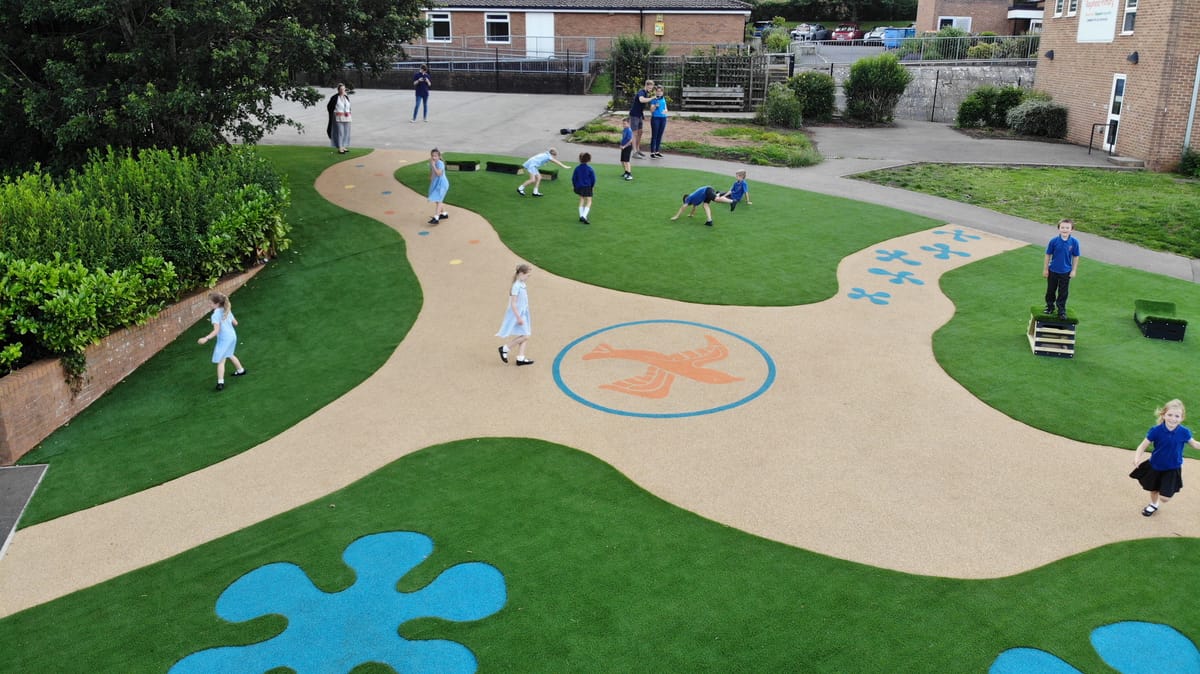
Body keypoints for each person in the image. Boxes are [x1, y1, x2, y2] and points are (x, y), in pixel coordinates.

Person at [1130, 399, 1200, 517]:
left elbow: (1195, 444)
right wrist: (1137, 458)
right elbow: (1142, 446)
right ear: (1163, 415)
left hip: (1172, 468)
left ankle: (1163, 494)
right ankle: (1153, 504)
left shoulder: (1184, 432)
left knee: (1165, 498)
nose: (1173, 419)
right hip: (1155, 465)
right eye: (1170, 415)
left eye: (1177, 416)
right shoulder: (1156, 431)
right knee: (1154, 489)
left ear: (1182, 418)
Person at [197, 292, 246, 391]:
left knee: (221, 361)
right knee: (230, 354)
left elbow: (216, 330)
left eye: (210, 303)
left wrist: (206, 338)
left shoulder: (215, 315)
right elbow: (236, 323)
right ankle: (241, 370)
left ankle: (220, 383)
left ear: (217, 303)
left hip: (224, 340)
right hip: (232, 337)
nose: (209, 304)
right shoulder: (226, 309)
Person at [496, 264, 534, 366]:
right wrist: (518, 317)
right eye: (527, 275)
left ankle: (520, 358)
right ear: (521, 274)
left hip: (523, 313)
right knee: (526, 335)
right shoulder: (516, 286)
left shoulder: (521, 284)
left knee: (524, 333)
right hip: (519, 314)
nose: (528, 278)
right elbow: (513, 303)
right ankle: (505, 348)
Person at [1042, 218, 1080, 319]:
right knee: (1050, 290)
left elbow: (1076, 256)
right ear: (1059, 229)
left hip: (1066, 272)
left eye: (1067, 228)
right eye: (1062, 227)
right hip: (1053, 270)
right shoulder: (1053, 241)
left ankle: (1061, 310)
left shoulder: (1074, 242)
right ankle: (1050, 307)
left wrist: (1074, 270)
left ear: (1072, 230)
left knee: (1063, 292)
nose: (1065, 229)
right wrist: (1046, 269)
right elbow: (1047, 255)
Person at [628, 79, 655, 159]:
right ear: (646, 85)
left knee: (640, 132)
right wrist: (652, 98)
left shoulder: (646, 93)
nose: (650, 89)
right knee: (634, 133)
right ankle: (634, 152)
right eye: (650, 88)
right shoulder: (641, 92)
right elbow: (641, 100)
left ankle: (638, 149)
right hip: (634, 115)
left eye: (651, 88)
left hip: (639, 115)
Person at [326, 83, 351, 154]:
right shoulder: (334, 97)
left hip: (347, 117)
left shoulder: (346, 97)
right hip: (338, 117)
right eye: (341, 89)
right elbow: (329, 107)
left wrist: (348, 113)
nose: (342, 90)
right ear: (338, 90)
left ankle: (344, 146)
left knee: (346, 132)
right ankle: (340, 147)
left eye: (343, 89)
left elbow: (348, 107)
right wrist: (334, 113)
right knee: (340, 132)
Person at [572, 152, 596, 224]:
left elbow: (573, 178)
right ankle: (584, 216)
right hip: (587, 187)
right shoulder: (590, 169)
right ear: (589, 160)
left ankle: (581, 216)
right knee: (589, 201)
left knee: (582, 199)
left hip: (579, 187)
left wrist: (574, 186)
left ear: (579, 159)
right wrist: (592, 186)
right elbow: (593, 179)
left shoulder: (577, 168)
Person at [427, 148, 449, 224]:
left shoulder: (440, 163)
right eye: (432, 156)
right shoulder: (431, 162)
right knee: (437, 199)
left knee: (439, 200)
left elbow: (439, 174)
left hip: (442, 184)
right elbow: (431, 173)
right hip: (436, 184)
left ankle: (436, 218)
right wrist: (431, 179)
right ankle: (444, 214)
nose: (433, 157)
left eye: (435, 156)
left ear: (439, 156)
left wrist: (433, 165)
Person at [648, 85, 668, 159]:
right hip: (655, 118)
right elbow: (651, 110)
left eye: (660, 91)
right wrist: (655, 106)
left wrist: (665, 111)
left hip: (663, 118)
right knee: (655, 135)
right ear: (655, 92)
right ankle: (652, 152)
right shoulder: (654, 99)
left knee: (660, 135)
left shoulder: (663, 99)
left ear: (662, 92)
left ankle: (657, 151)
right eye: (657, 91)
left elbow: (666, 108)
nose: (659, 93)